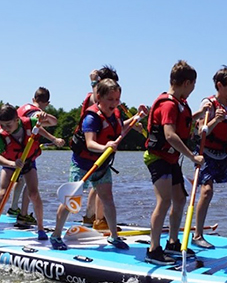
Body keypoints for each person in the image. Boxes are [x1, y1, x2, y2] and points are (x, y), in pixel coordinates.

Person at [50, 79, 137, 251]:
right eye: (110, 99)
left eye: (117, 99)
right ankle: (56, 235)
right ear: (99, 97)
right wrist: (106, 147)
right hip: (82, 164)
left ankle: (114, 237)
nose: (114, 103)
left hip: (101, 164)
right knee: (70, 201)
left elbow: (119, 127)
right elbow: (90, 144)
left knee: (108, 199)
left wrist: (138, 116)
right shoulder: (91, 118)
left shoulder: (115, 114)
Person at [143, 60, 206, 265]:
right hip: (157, 158)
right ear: (187, 83)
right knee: (164, 201)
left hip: (171, 159)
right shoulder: (169, 104)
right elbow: (170, 135)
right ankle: (153, 250)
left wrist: (200, 113)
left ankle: (172, 242)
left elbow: (183, 121)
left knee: (179, 199)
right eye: (193, 85)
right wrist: (192, 156)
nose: (193, 90)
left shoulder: (180, 103)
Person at [191, 66, 227, 250]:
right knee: (207, 191)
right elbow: (201, 131)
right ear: (220, 85)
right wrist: (216, 120)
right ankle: (197, 235)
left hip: (222, 156)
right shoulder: (208, 104)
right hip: (205, 154)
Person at [0, 104, 63, 240]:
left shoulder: (29, 122)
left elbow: (50, 123)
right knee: (3, 194)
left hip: (28, 161)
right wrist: (12, 163)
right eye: (3, 125)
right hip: (10, 163)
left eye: (8, 125)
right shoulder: (1, 134)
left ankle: (41, 228)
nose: (6, 129)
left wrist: (53, 138)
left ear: (16, 120)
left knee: (34, 193)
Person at [76, 65, 119, 229]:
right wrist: (93, 81)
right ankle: (99, 219)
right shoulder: (97, 98)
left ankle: (90, 217)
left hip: (100, 152)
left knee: (98, 186)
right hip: (91, 150)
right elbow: (96, 95)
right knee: (97, 187)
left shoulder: (107, 103)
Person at [7, 87, 56, 224]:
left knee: (19, 180)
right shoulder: (37, 113)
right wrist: (54, 139)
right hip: (26, 152)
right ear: (47, 103)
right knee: (29, 183)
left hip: (13, 151)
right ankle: (23, 214)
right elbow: (50, 123)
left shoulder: (22, 108)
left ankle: (13, 208)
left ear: (33, 99)